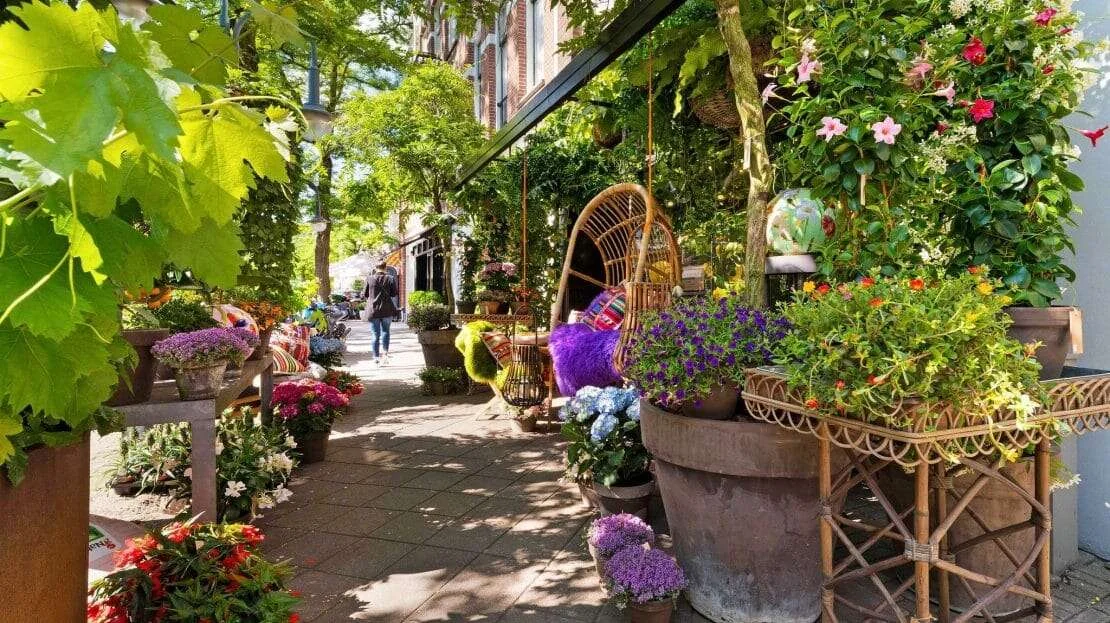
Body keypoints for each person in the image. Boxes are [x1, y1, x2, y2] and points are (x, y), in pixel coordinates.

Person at [362, 261, 398, 366]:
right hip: (387, 310)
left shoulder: (369, 279)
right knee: (386, 332)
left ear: (375, 268)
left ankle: (376, 357)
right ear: (385, 268)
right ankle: (385, 354)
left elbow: (365, 294)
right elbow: (394, 293)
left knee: (375, 334)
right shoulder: (390, 278)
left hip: (373, 310)